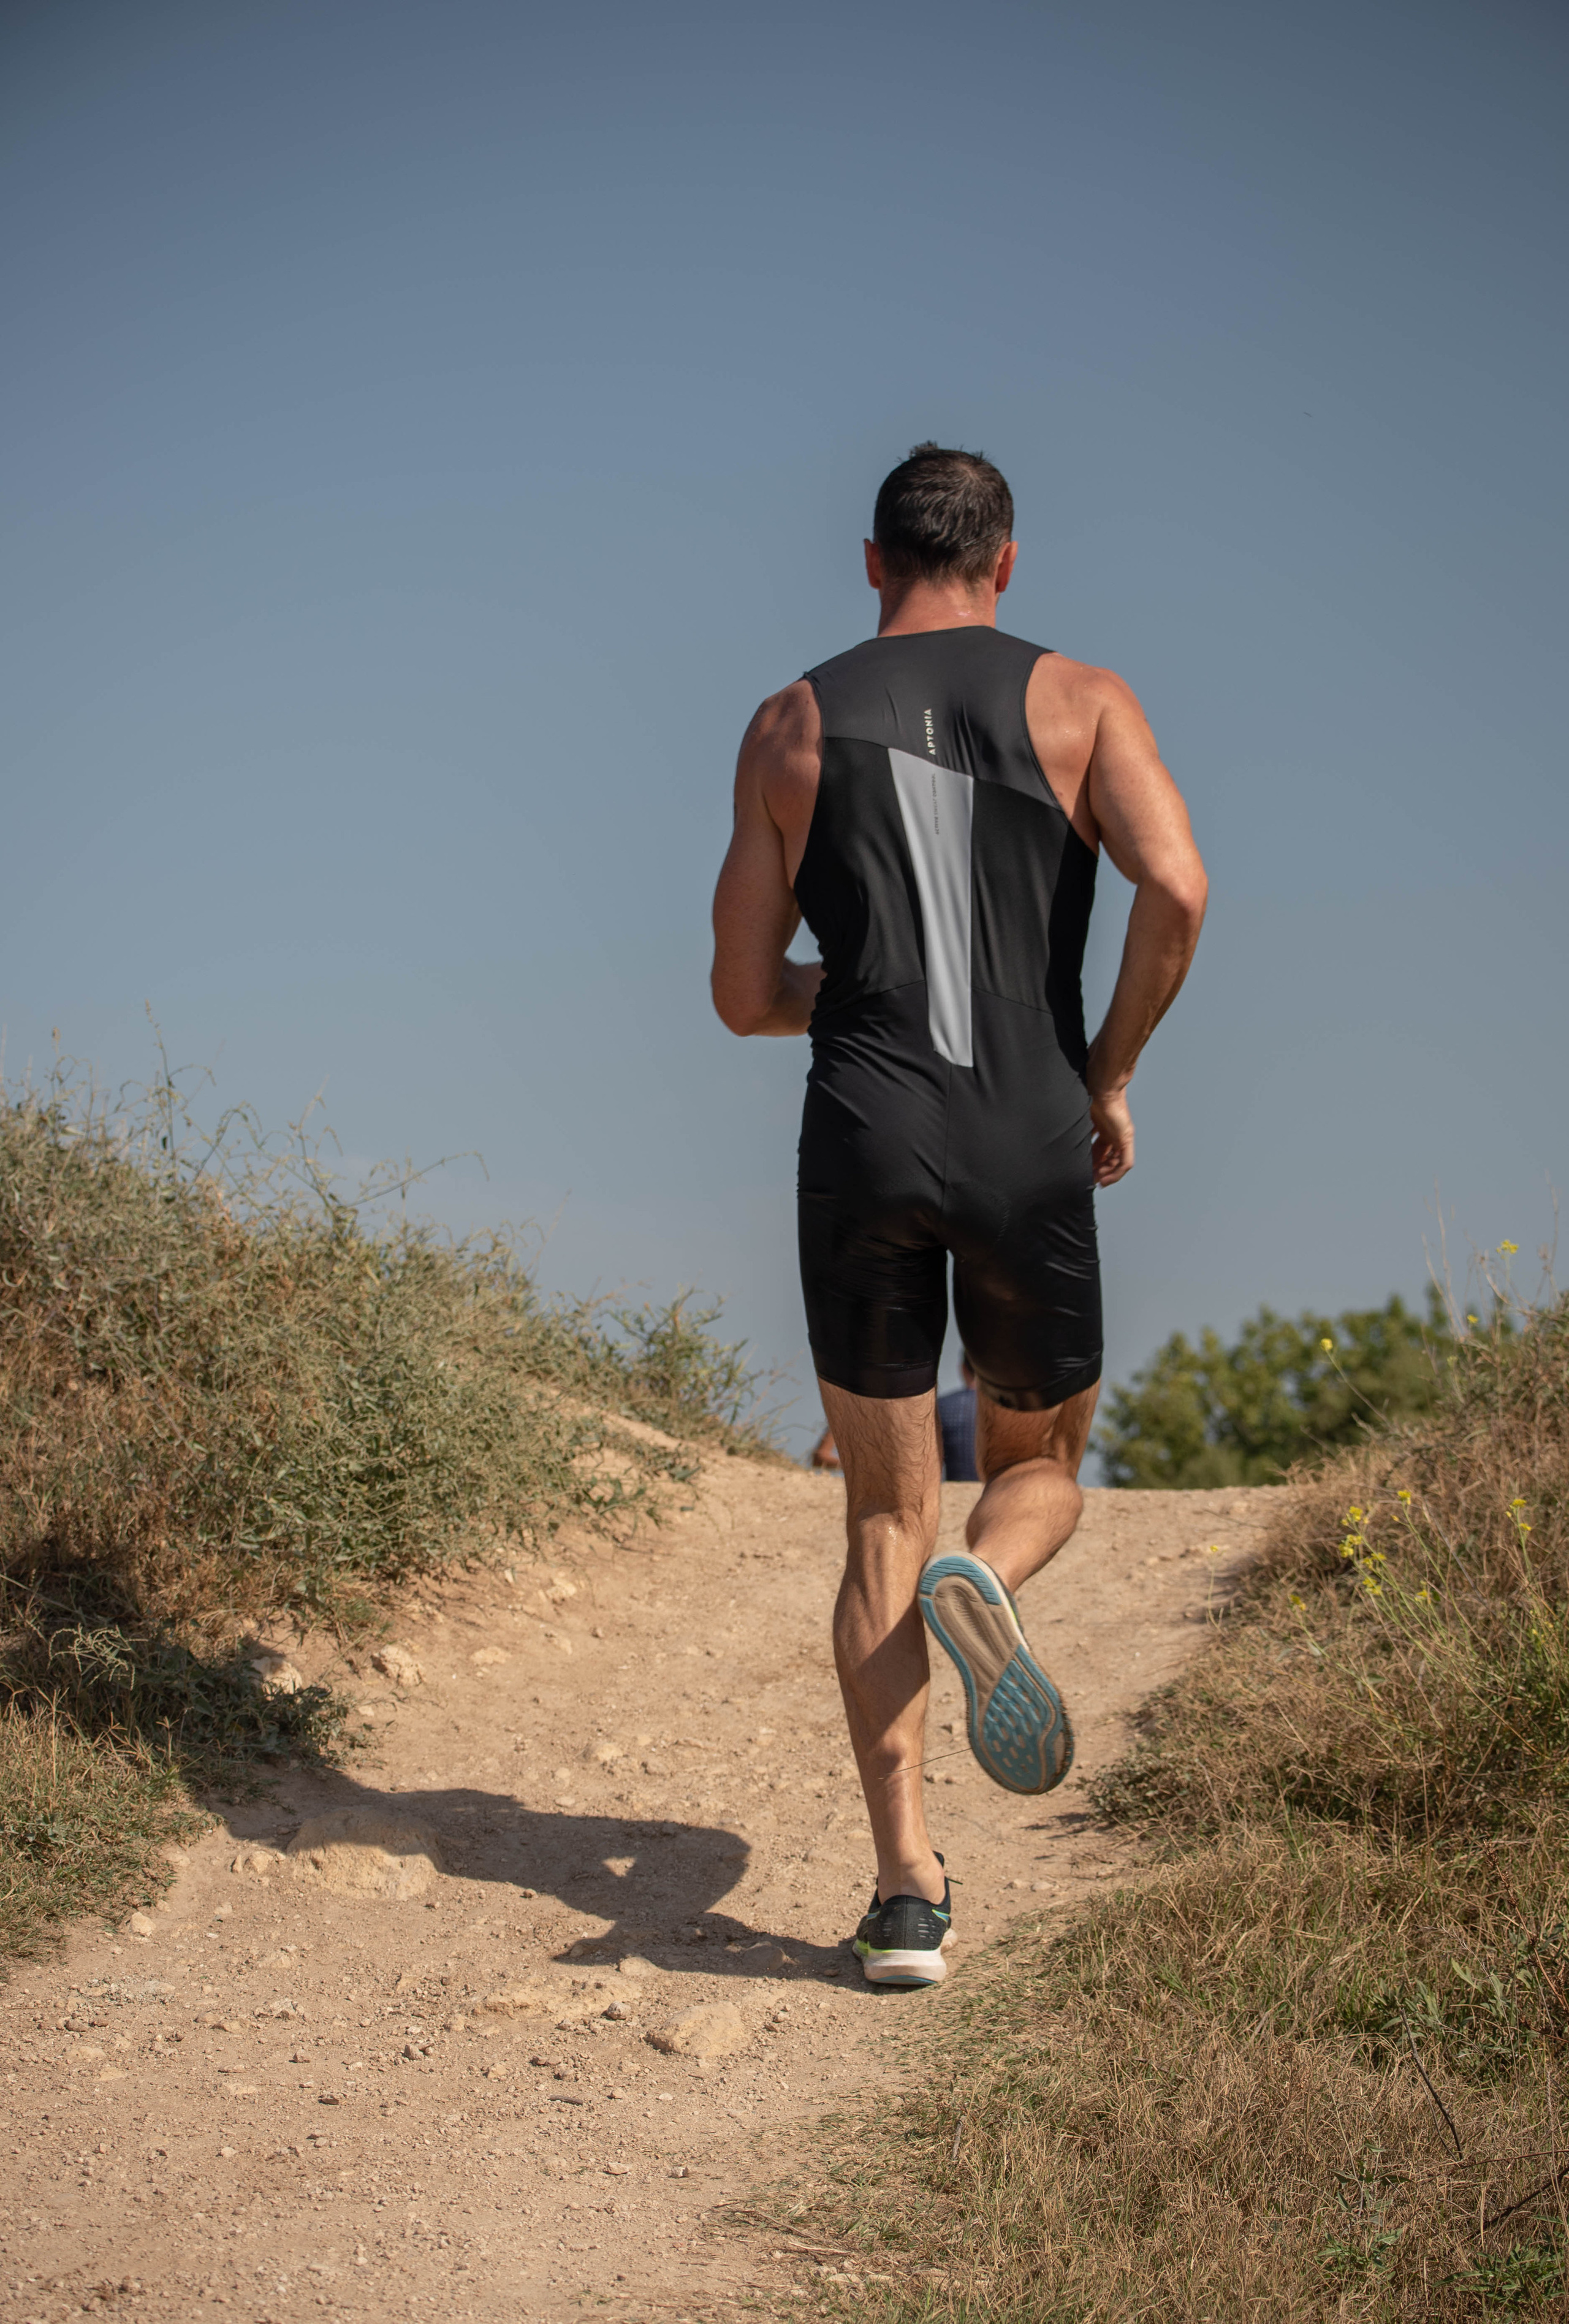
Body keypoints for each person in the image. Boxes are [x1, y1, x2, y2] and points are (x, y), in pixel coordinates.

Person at [710, 443, 1207, 1987]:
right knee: (1039, 1461)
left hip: (861, 1129)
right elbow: (1175, 888)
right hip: (1023, 1123)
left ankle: (904, 1892)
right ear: (1005, 563)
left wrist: (853, 1004)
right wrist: (1105, 1070)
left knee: (875, 1511)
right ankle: (987, 1571)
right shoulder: (1084, 699)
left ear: (871, 563)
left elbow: (738, 996)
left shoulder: (789, 720)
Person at [936, 1359, 980, 1484]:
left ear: (963, 1369)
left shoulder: (941, 1406)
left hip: (956, 1491)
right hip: (996, 1491)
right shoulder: (1007, 1408)